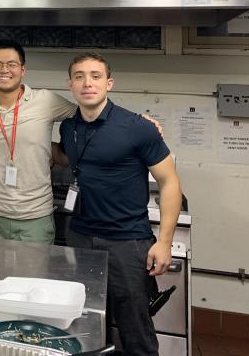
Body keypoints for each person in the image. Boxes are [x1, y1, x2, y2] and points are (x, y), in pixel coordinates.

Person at [54, 52, 182, 356]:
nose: (88, 83)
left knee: (135, 330)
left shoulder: (137, 127)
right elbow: (65, 157)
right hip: (81, 237)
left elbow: (170, 183)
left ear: (109, 83)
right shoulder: (69, 128)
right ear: (70, 84)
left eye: (96, 76)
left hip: (127, 241)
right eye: (79, 76)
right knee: (84, 323)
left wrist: (164, 242)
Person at [0, 39, 76, 242]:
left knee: (33, 274)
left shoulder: (45, 100)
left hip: (36, 218)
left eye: (11, 64)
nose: (4, 69)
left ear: (23, 69)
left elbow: (88, 114)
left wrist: (136, 120)